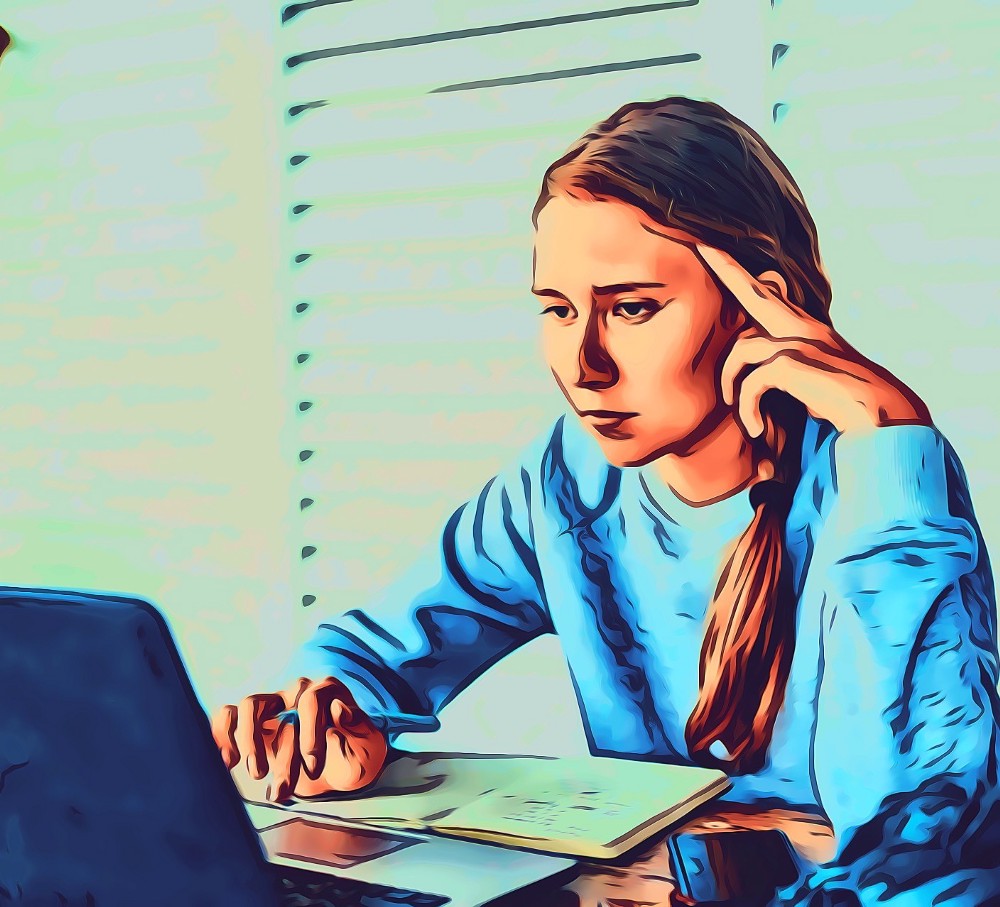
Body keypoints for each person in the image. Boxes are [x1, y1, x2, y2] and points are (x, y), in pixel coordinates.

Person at [213, 97, 1000, 904]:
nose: (582, 363)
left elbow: (925, 825)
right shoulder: (565, 482)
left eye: (630, 307)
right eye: (557, 308)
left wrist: (892, 433)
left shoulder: (875, 483)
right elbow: (375, 651)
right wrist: (326, 719)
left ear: (761, 302)